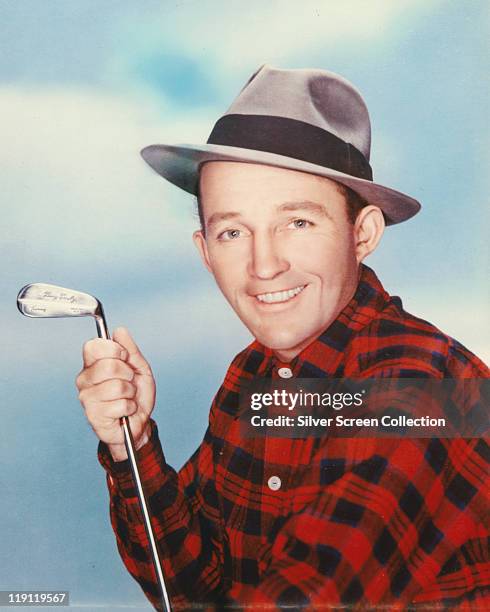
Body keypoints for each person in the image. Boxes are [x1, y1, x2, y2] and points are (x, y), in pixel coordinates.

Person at [76, 66, 489, 609]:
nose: (263, 265)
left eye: (297, 223)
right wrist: (133, 443)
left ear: (361, 234)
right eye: (232, 232)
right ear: (205, 252)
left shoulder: (420, 383)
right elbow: (192, 590)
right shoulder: (253, 375)